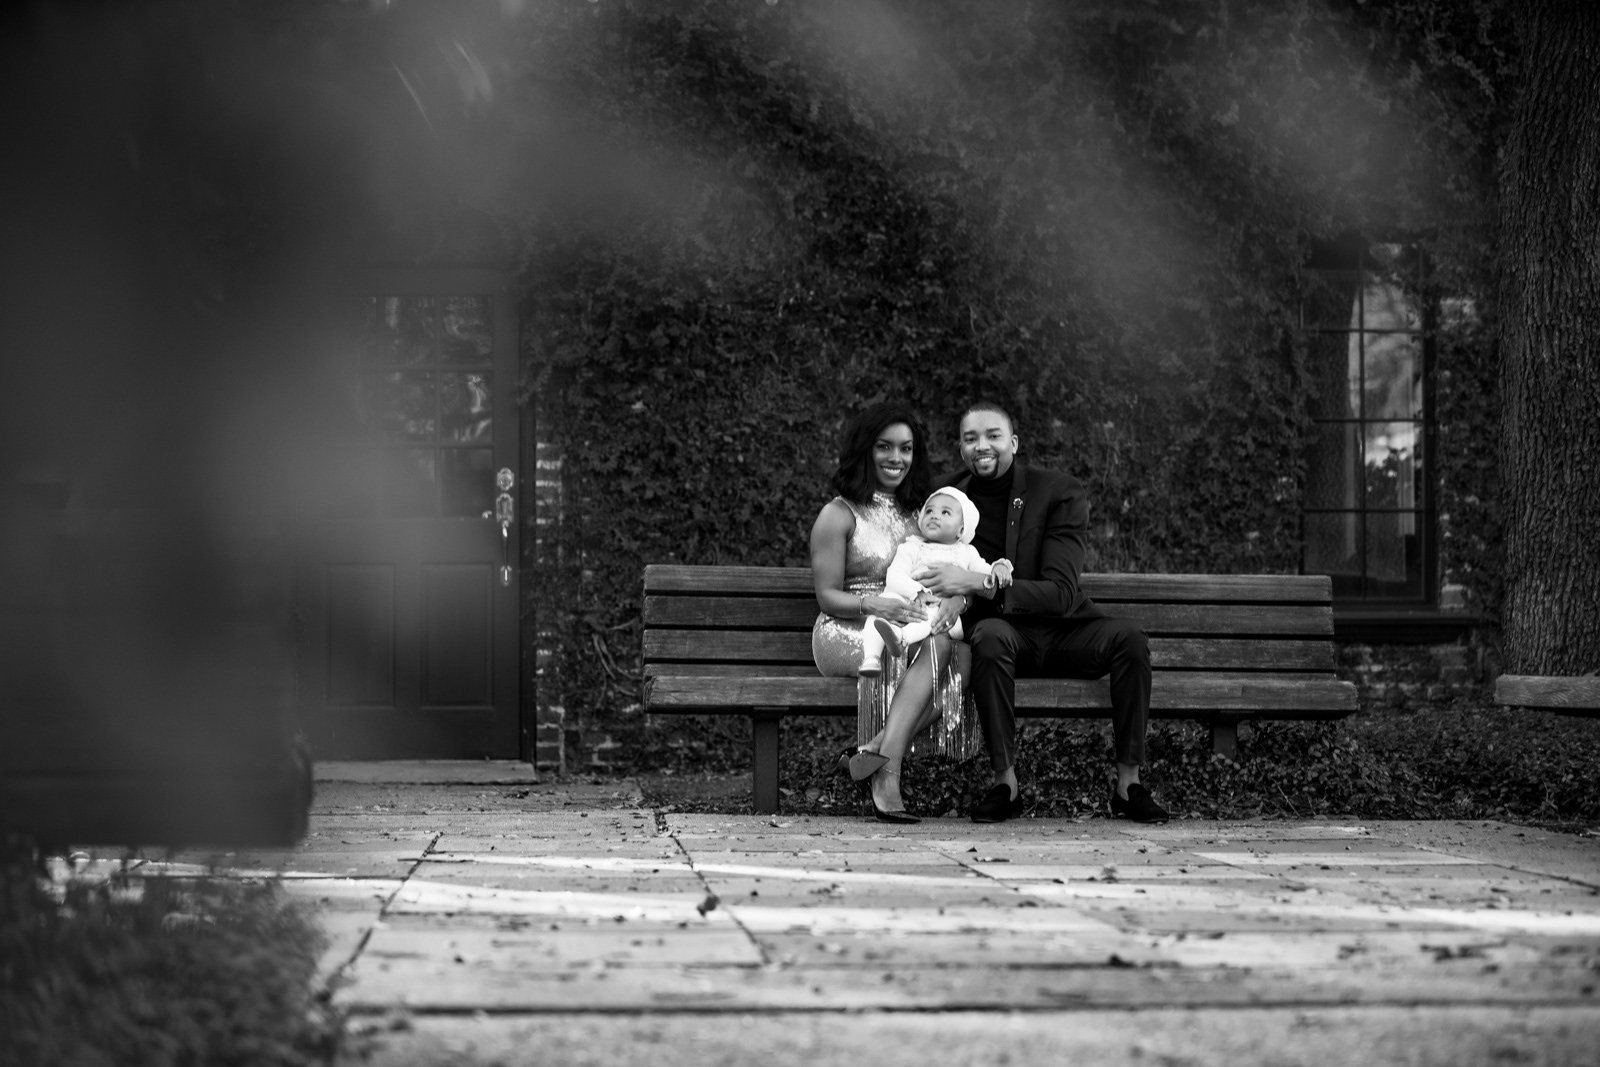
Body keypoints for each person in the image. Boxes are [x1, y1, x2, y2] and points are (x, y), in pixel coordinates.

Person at [914, 401, 1171, 824]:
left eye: (993, 435)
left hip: (1065, 631)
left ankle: (1129, 785)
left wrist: (975, 584)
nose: (982, 446)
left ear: (1013, 442)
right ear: (960, 448)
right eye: (970, 438)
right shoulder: (944, 497)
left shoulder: (1056, 490)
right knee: (990, 637)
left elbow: (1061, 593)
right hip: (1000, 636)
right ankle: (1006, 786)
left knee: (1129, 638)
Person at [809, 403, 966, 823]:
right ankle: (887, 777)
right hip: (847, 629)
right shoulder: (838, 513)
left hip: (907, 624)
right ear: (865, 449)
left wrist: (958, 600)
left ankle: (874, 750)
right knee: (939, 649)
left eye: (906, 448)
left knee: (966, 656)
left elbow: (952, 567)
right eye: (885, 447)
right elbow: (827, 597)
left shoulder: (922, 514)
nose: (897, 458)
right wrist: (873, 604)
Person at [858, 487, 1013, 675]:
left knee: (930, 614)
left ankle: (902, 638)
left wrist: (1000, 567)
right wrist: (917, 592)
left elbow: (986, 574)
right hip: (906, 601)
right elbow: (894, 575)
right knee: (880, 609)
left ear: (961, 530)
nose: (934, 515)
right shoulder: (911, 547)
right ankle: (871, 658)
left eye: (945, 512)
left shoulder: (967, 552)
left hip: (939, 611)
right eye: (929, 511)